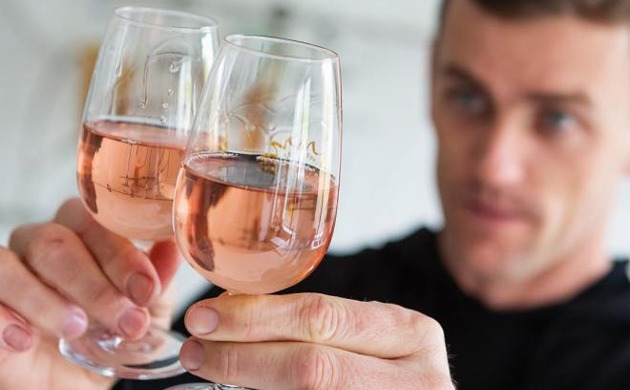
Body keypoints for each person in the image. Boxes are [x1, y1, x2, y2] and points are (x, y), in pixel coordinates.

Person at [3, 0, 630, 388]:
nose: (496, 165)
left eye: (558, 120)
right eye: (467, 97)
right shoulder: (300, 297)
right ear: (432, 80)